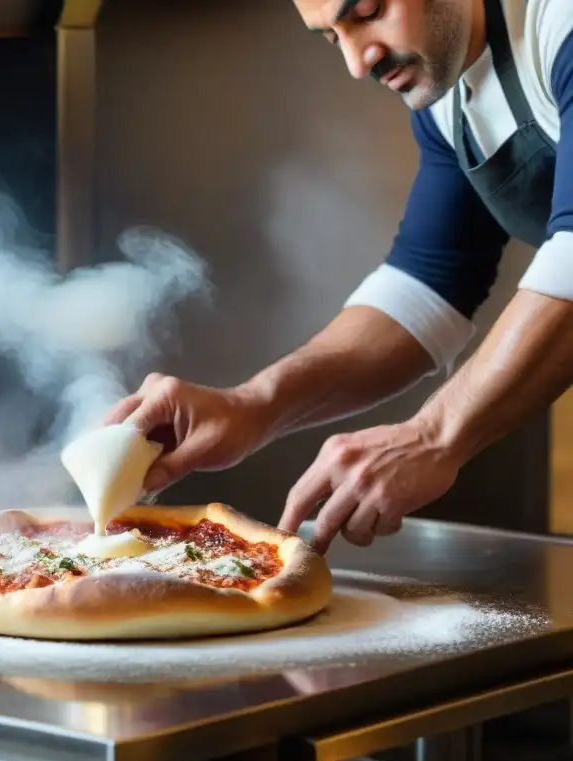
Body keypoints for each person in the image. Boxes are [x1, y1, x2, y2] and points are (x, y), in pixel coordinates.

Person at [105, 0, 573, 555]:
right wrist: (255, 404)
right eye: (332, 37)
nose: (357, 61)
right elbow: (427, 286)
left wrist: (434, 435)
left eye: (369, 11)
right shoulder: (446, 94)